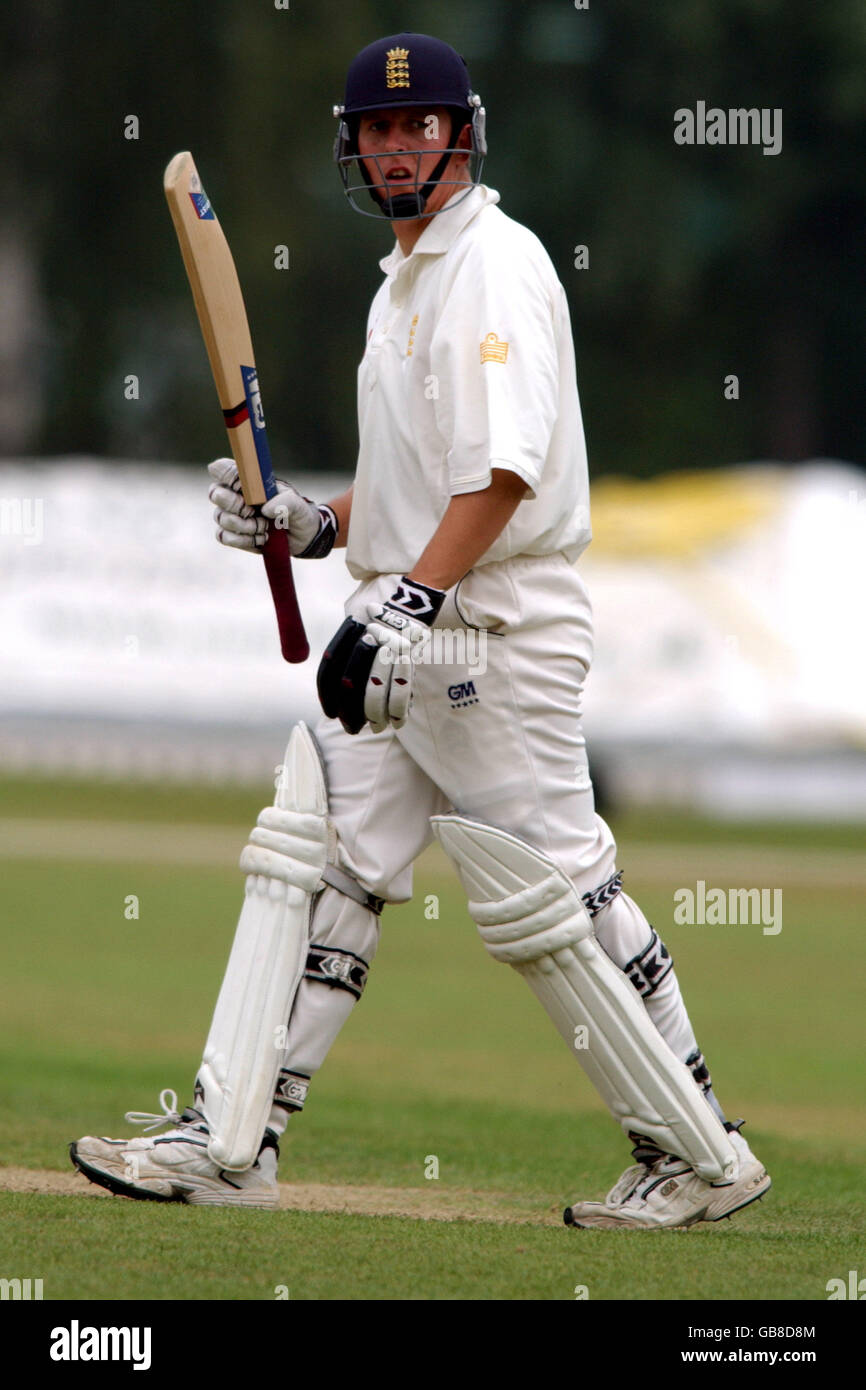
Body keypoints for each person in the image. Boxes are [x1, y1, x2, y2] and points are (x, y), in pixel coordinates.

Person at [71, 32, 770, 1229]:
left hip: (491, 628)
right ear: (355, 146)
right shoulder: (402, 284)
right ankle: (236, 1136)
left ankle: (697, 1152)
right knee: (321, 855)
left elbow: (499, 478)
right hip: (418, 619)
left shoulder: (490, 266)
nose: (398, 144)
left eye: (419, 123)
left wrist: (409, 599)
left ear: (461, 132)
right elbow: (410, 493)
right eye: (378, 128)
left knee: (551, 894)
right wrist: (308, 522)